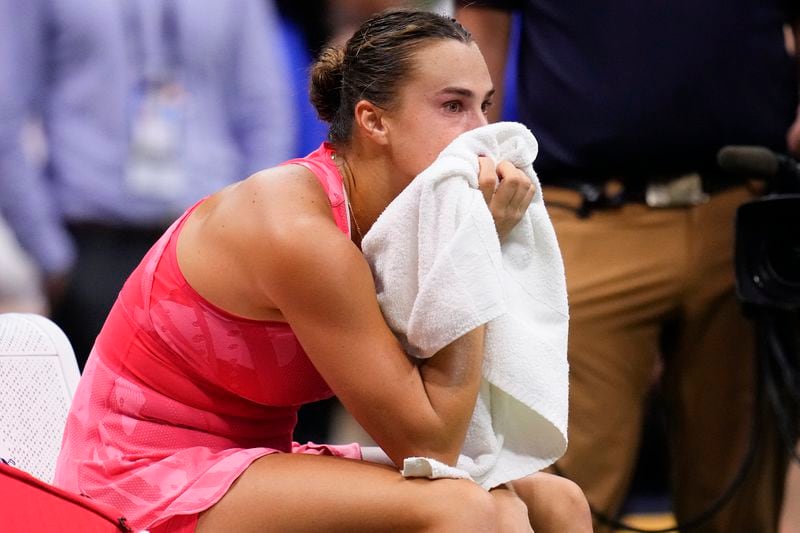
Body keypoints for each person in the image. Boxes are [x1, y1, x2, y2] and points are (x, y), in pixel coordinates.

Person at [53, 9, 592, 533]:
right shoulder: (299, 232)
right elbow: (430, 444)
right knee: (462, 509)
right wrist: (473, 245)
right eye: (453, 106)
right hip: (136, 476)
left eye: (484, 107)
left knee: (554, 499)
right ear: (373, 120)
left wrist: (466, 237)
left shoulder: (403, 223)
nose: (480, 133)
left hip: (258, 458)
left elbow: (448, 430)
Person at [456, 2, 799, 532]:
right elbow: (481, 19)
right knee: (562, 483)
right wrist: (477, 153)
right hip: (586, 213)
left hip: (742, 209)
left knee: (739, 486)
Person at [0, 0, 295, 369]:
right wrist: (52, 256)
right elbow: (5, 115)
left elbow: (265, 111)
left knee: (206, 422)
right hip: (93, 245)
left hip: (211, 241)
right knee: (101, 421)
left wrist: (249, 235)